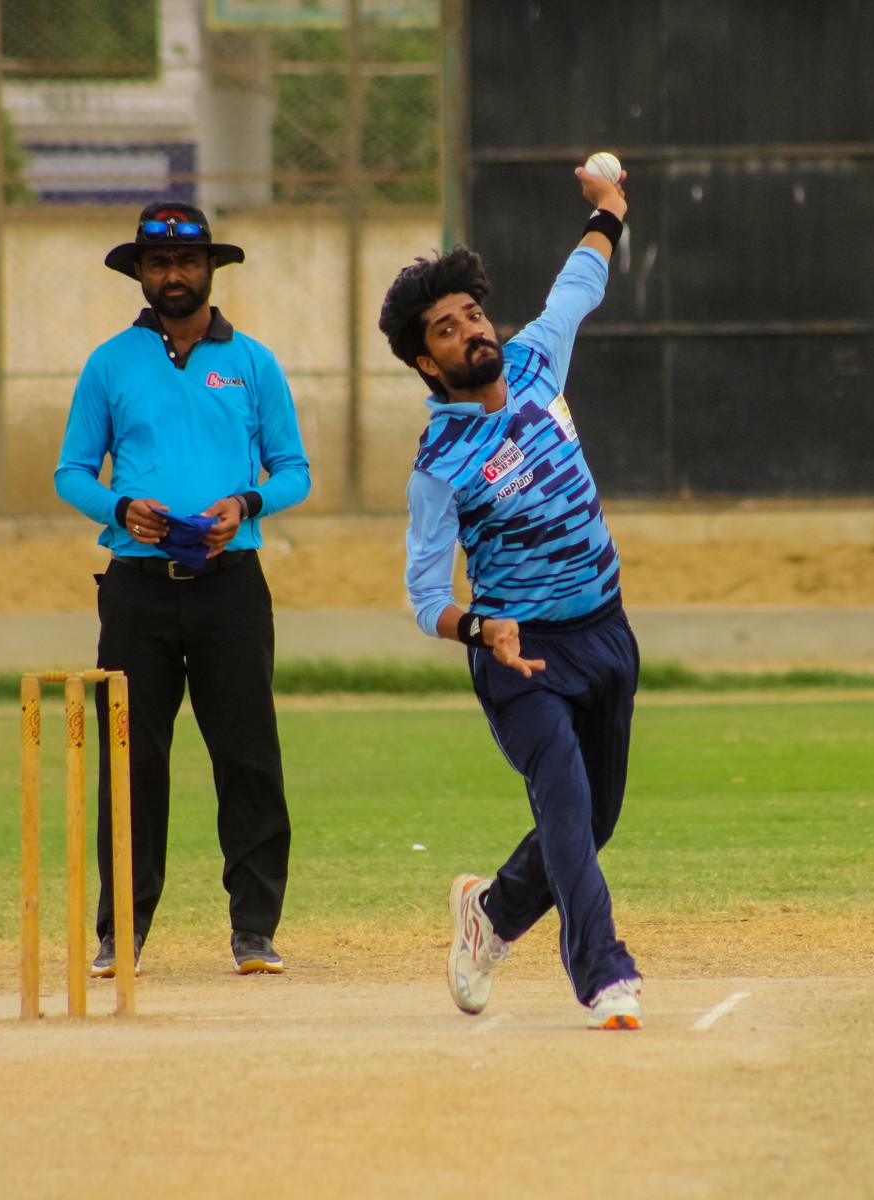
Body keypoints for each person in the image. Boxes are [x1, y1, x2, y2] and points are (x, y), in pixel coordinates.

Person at [378, 165, 642, 1030]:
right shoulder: (439, 465)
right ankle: (605, 974)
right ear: (427, 362)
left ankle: (488, 916)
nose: (470, 331)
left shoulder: (534, 361)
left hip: (605, 630)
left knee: (595, 822)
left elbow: (578, 286)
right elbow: (425, 597)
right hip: (521, 655)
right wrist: (483, 628)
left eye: (472, 315)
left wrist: (608, 211)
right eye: (447, 330)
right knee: (565, 806)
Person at [55, 201, 311, 978]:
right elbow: (72, 472)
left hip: (231, 587)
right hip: (137, 587)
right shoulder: (110, 364)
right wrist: (119, 508)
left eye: (189, 261)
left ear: (210, 269)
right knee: (131, 761)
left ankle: (254, 930)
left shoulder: (253, 363)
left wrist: (246, 503)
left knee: (248, 757)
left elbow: (294, 471)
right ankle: (121, 933)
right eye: (160, 263)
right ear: (140, 272)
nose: (175, 275)